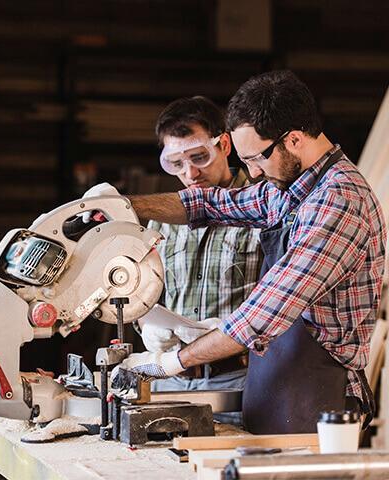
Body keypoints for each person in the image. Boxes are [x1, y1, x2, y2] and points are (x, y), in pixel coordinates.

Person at [114, 70, 386, 435]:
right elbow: (208, 205)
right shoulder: (288, 189)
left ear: (292, 140)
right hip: (277, 382)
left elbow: (263, 313)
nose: (253, 173)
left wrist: (168, 363)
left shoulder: (337, 199)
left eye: (257, 159)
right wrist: (121, 206)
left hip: (320, 394)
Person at [144, 97, 261, 410]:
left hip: (240, 379)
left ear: (224, 144)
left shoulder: (261, 209)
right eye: (177, 164)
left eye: (199, 157)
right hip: (172, 379)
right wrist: (147, 327)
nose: (190, 173)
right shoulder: (162, 221)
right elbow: (147, 293)